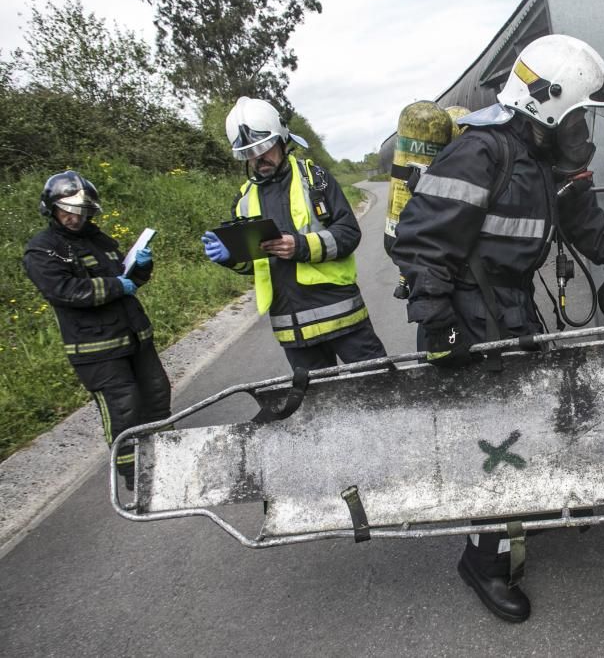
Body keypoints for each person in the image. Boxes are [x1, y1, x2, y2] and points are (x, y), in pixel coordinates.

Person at [390, 34, 604, 622]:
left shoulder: (546, 161)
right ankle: (485, 562)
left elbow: (586, 220)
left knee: (521, 421)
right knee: (490, 440)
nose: (583, 127)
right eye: (578, 113)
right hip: (463, 313)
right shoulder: (482, 153)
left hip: (507, 310)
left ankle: (516, 513)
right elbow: (423, 244)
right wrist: (438, 327)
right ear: (547, 106)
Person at [202, 97, 386, 371]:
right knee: (320, 409)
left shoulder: (315, 178)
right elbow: (256, 264)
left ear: (281, 139)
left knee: (379, 388)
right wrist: (232, 256)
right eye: (248, 153)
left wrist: (300, 246)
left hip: (342, 318)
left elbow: (348, 233)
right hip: (293, 331)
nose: (257, 158)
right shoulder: (243, 199)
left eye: (263, 148)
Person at [23, 171, 171, 490]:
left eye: (81, 211)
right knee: (125, 407)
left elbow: (128, 280)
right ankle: (136, 478)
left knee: (158, 394)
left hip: (133, 338)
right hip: (96, 351)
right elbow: (63, 290)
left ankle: (167, 457)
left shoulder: (99, 239)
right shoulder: (43, 249)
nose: (75, 217)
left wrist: (140, 266)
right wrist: (116, 284)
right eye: (68, 211)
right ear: (51, 208)